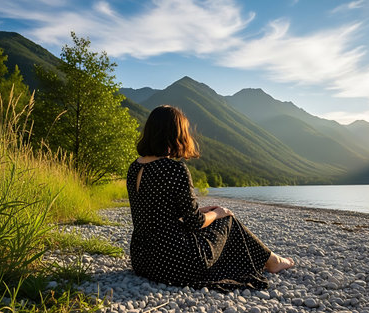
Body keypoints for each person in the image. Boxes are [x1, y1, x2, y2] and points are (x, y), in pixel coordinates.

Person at [126, 105, 294, 291]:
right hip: (172, 263)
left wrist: (202, 212)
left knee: (218, 218)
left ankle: (271, 260)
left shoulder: (134, 167)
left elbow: (157, 214)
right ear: (175, 133)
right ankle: (273, 261)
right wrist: (218, 213)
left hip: (142, 261)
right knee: (228, 219)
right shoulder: (175, 169)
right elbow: (195, 223)